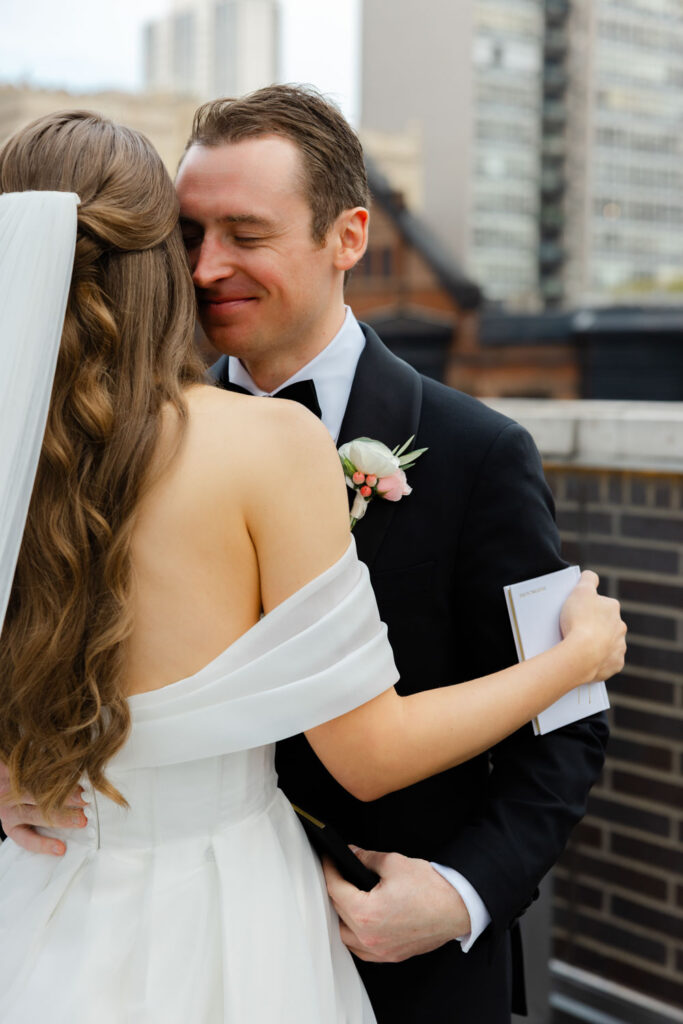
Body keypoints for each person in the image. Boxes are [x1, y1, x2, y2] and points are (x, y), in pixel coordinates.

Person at [0, 110, 625, 1024]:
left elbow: (565, 727)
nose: (206, 266)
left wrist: (461, 894)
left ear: (349, 236)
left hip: (408, 963)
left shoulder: (479, 451)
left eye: (244, 235)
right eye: (185, 235)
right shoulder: (75, 439)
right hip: (208, 927)